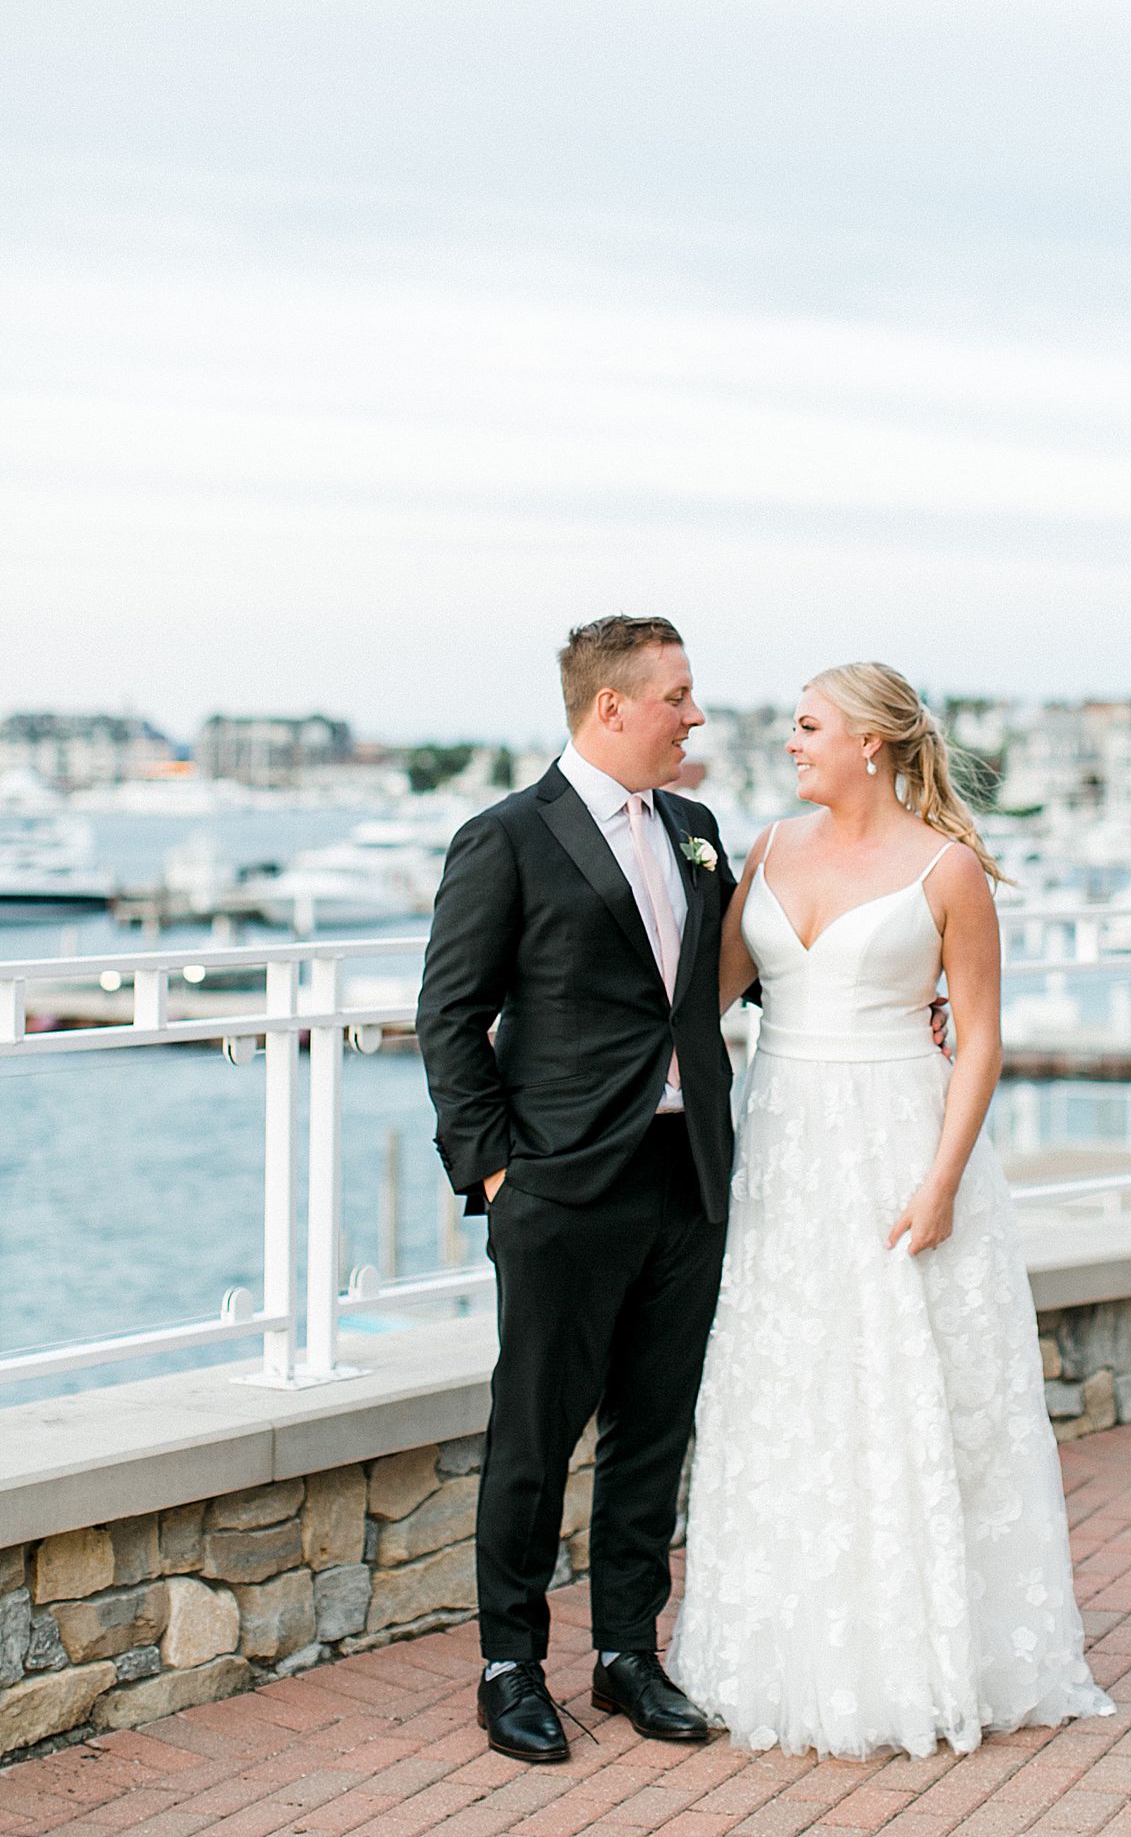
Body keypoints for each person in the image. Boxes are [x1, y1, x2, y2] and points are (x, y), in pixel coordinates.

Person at [417, 618, 952, 1763]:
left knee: (652, 1431)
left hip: (690, 1176)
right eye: (677, 696)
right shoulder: (504, 837)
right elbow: (449, 1019)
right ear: (611, 707)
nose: (695, 716)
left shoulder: (698, 831)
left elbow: (727, 981)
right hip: (561, 1186)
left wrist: (901, 1004)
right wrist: (498, 1172)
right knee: (534, 1431)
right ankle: (510, 1666)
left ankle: (624, 1656)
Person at [668, 661, 1113, 1760]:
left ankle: (913, 1653)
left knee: (904, 1386)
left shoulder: (945, 869)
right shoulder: (764, 850)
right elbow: (710, 993)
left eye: (807, 725)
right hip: (782, 1143)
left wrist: (940, 1182)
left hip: (893, 1141)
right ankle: (786, 1647)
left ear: (869, 741)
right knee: (788, 1383)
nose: (789, 741)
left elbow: (981, 1037)